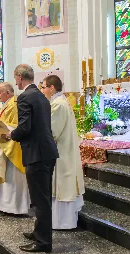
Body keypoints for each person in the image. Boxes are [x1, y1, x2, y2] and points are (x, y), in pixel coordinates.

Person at [5, 64, 59, 253]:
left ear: (20, 77)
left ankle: (43, 242)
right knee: (42, 197)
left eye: (15, 77)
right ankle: (40, 232)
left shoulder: (24, 97)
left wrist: (10, 134)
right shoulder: (41, 96)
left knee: (40, 199)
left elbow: (25, 128)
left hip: (36, 154)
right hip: (47, 152)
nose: (15, 81)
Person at [41, 75, 85, 229]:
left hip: (61, 152)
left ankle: (63, 223)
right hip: (63, 150)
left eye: (44, 87)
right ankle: (59, 221)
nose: (42, 90)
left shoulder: (58, 104)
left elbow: (52, 132)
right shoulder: (60, 102)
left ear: (52, 88)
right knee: (62, 184)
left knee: (62, 185)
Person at [0, 82, 30, 215]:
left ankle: (15, 208)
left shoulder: (14, 105)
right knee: (6, 178)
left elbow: (16, 127)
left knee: (13, 179)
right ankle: (5, 206)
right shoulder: (7, 105)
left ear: (8, 93)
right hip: (5, 147)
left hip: (13, 148)